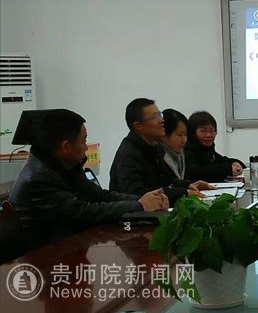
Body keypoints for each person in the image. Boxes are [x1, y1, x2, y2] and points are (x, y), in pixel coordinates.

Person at [9, 109, 168, 249]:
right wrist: (139, 205)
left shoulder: (64, 163)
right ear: (66, 146)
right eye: (84, 140)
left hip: (70, 242)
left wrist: (145, 200)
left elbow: (100, 195)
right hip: (44, 257)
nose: (86, 146)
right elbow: (81, 212)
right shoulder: (38, 178)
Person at [109, 99, 212, 205]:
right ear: (138, 126)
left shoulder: (155, 146)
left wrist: (188, 185)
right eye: (155, 117)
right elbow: (135, 192)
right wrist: (183, 193)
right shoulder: (129, 154)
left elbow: (166, 179)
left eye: (160, 115)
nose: (162, 121)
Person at [185, 111, 245, 182]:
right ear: (192, 132)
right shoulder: (187, 149)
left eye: (212, 131)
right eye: (203, 131)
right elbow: (195, 173)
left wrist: (236, 163)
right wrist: (227, 168)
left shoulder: (207, 149)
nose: (208, 135)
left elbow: (220, 160)